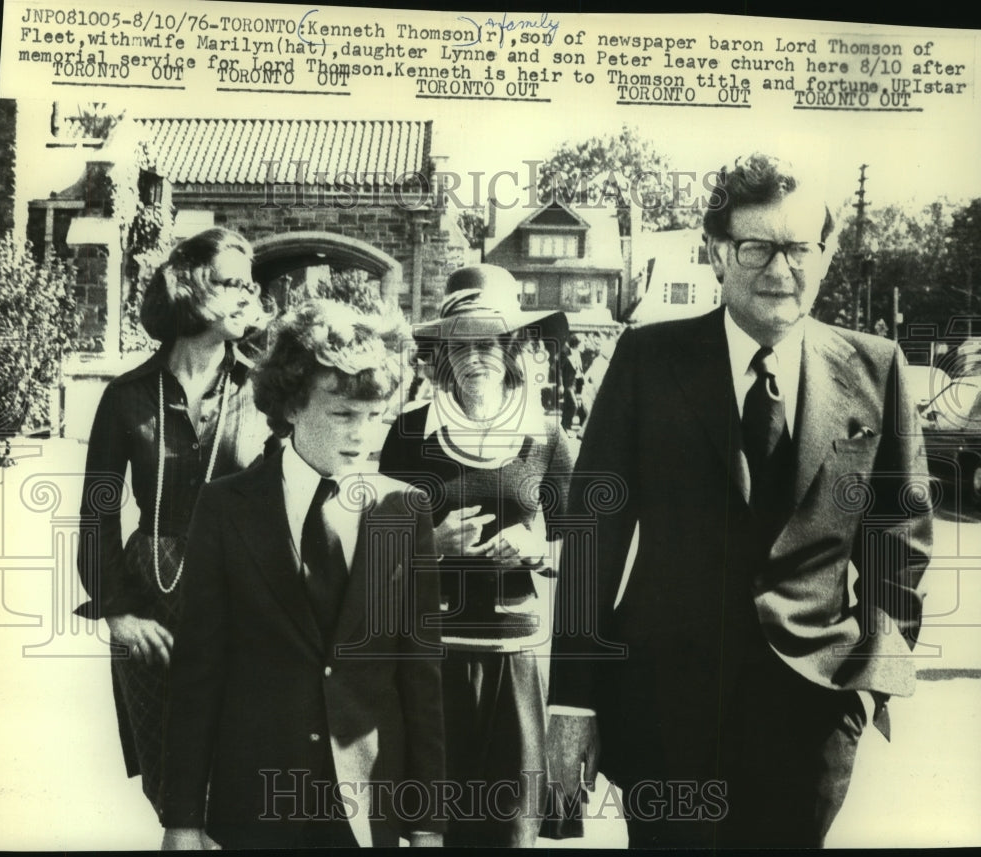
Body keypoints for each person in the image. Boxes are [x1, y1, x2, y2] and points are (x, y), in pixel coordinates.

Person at [547, 152, 933, 849]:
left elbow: (900, 535)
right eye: (756, 246)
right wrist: (572, 698)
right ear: (717, 252)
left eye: (799, 247)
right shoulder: (647, 361)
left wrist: (872, 675)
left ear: (828, 252)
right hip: (665, 709)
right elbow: (590, 538)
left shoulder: (877, 368)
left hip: (813, 712)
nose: (779, 269)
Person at [160, 300, 445, 849]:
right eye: (343, 415)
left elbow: (421, 676)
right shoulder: (225, 507)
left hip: (370, 808)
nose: (362, 435)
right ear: (290, 406)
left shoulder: (405, 511)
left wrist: (427, 823)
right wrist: (183, 817)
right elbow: (198, 671)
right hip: (256, 804)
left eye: (376, 416)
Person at [75, 227, 271, 817]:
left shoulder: (265, 390)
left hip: (245, 607)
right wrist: (116, 611)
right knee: (173, 794)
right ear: (188, 285)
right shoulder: (127, 396)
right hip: (151, 611)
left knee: (240, 783)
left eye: (251, 284)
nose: (248, 296)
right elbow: (97, 514)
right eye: (233, 281)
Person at [378, 265, 573, 847]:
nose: (474, 359)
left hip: (516, 660)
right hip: (432, 660)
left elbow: (582, 549)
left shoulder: (545, 437)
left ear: (512, 349)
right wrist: (431, 547)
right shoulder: (410, 432)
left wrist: (536, 548)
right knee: (433, 832)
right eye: (458, 346)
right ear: (442, 355)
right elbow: (374, 552)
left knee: (511, 832)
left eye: (487, 343)